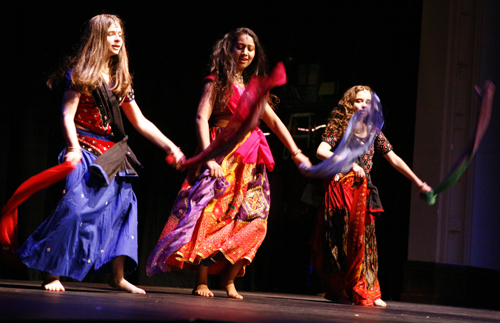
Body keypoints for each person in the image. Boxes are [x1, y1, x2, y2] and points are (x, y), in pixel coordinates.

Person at [16, 14, 185, 294]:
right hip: (83, 149)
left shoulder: (119, 78)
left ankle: (117, 276)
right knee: (74, 208)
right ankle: (52, 272)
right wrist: (72, 148)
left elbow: (140, 122)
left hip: (114, 155)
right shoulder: (81, 72)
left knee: (124, 210)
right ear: (98, 38)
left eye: (120, 34)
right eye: (111, 34)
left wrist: (171, 147)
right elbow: (66, 115)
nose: (118, 39)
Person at [146, 27, 311, 299]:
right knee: (211, 214)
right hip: (223, 155)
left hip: (251, 161)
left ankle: (230, 278)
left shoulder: (253, 87)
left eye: (250, 48)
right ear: (228, 48)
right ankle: (202, 279)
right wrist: (209, 157)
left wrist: (295, 153)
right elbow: (201, 117)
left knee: (255, 220)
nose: (245, 52)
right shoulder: (216, 81)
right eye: (240, 46)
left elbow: (274, 121)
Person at [314, 85, 431, 306]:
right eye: (358, 101)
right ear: (350, 103)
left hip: (363, 191)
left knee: (366, 240)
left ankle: (368, 290)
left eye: (367, 102)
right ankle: (340, 288)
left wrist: (418, 182)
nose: (363, 105)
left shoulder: (373, 131)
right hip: (341, 189)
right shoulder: (339, 125)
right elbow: (321, 151)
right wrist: (348, 164)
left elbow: (394, 158)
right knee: (340, 240)